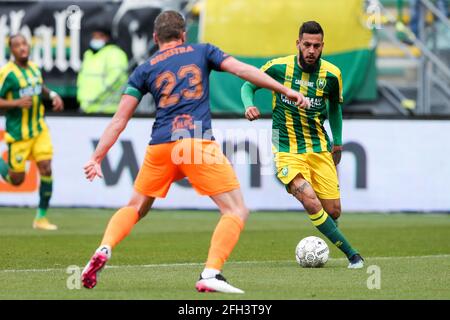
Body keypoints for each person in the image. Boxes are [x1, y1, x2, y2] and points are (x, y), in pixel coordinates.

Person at [81, 10, 308, 293]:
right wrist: (284, 90)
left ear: (155, 38)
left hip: (161, 145)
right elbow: (242, 70)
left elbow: (120, 119)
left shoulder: (145, 68)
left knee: (135, 206)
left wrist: (97, 157)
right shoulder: (202, 51)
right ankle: (211, 273)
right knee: (236, 210)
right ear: (184, 34)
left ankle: (105, 247)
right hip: (195, 141)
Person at [241, 21, 364, 269]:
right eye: (306, 44)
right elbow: (248, 84)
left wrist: (337, 143)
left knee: (334, 210)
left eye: (316, 46)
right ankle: (353, 255)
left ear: (322, 47)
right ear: (297, 43)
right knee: (310, 200)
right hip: (285, 148)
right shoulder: (278, 68)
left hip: (319, 147)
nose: (311, 50)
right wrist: (248, 105)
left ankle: (326, 241)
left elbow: (335, 109)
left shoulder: (331, 75)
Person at [0, 34, 64, 230]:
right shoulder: (8, 73)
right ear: (12, 50)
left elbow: (40, 87)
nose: (22, 48)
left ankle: (41, 218)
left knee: (46, 167)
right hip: (19, 133)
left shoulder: (35, 68)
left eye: (24, 43)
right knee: (17, 180)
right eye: (17, 45)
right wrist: (16, 103)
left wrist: (52, 94)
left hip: (39, 128)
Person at [77, 27, 128, 113]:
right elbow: (82, 79)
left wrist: (98, 96)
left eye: (100, 36)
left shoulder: (115, 53)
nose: (96, 39)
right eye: (94, 36)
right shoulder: (88, 54)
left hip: (107, 109)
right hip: (87, 108)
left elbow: (118, 78)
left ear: (107, 38)